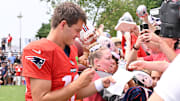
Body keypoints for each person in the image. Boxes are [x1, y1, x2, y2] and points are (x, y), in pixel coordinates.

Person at [22, 2, 114, 101]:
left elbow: (72, 94)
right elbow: (40, 99)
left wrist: (100, 84)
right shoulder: (38, 51)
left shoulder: (72, 49)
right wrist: (77, 84)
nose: (78, 35)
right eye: (77, 30)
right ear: (63, 25)